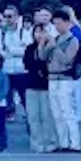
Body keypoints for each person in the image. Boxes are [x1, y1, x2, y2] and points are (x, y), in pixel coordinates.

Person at [43, 19, 81, 153]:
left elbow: (67, 59)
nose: (57, 26)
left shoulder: (73, 40)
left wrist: (55, 46)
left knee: (67, 111)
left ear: (67, 23)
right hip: (52, 78)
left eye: (59, 23)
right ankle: (63, 142)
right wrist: (45, 46)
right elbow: (43, 57)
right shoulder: (54, 39)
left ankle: (75, 143)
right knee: (56, 113)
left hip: (65, 78)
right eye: (55, 24)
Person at [22, 25, 55, 153]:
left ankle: (49, 141)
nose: (40, 35)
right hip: (31, 85)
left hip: (46, 85)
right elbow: (28, 64)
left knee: (47, 115)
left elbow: (47, 63)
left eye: (43, 32)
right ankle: (36, 142)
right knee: (33, 116)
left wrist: (43, 47)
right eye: (37, 32)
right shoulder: (29, 49)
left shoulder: (51, 47)